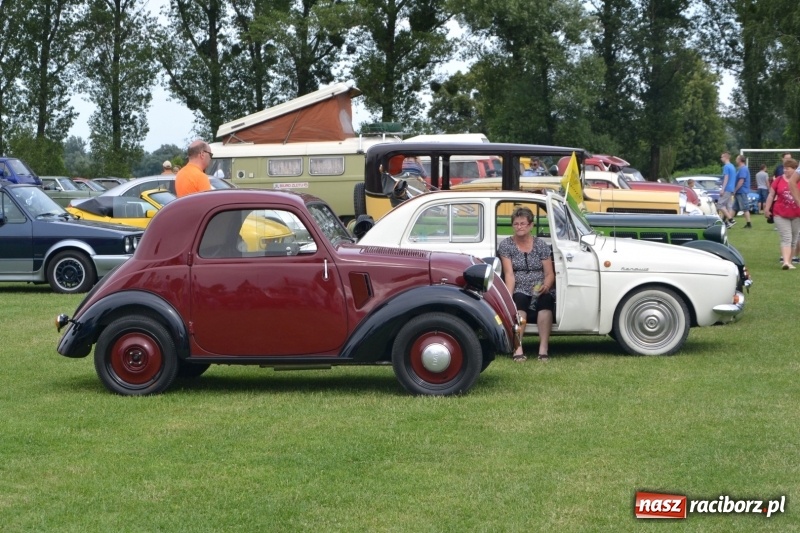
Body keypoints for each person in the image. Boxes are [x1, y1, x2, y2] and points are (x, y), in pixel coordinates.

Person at [498, 206, 556, 362]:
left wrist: (546, 286)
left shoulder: (541, 245)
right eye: (516, 224)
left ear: (531, 225)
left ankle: (543, 348)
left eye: (523, 223)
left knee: (545, 302)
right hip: (520, 286)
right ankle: (517, 348)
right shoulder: (506, 245)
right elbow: (509, 274)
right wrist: (508, 298)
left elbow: (549, 273)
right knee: (519, 303)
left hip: (540, 286)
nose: (519, 227)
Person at [764, 158, 800, 270]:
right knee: (786, 237)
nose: (785, 170)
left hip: (796, 214)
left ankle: (790, 261)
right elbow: (771, 195)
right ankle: (785, 262)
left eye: (788, 169)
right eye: (784, 168)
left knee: (794, 238)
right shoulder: (779, 180)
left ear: (795, 169)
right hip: (780, 213)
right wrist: (767, 209)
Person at [719, 152, 737, 228]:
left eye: (722, 157)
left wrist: (722, 189)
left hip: (727, 188)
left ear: (726, 157)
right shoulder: (732, 166)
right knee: (728, 206)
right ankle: (726, 223)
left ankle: (731, 220)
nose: (721, 159)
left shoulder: (726, 167)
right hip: (731, 188)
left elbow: (726, 178)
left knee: (720, 205)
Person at [734, 155, 752, 228]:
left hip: (742, 191)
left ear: (740, 160)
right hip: (739, 192)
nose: (735, 160)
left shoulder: (743, 169)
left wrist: (735, 190)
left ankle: (749, 224)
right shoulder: (740, 169)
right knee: (734, 208)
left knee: (745, 208)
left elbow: (741, 181)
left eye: (737, 159)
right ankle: (729, 221)